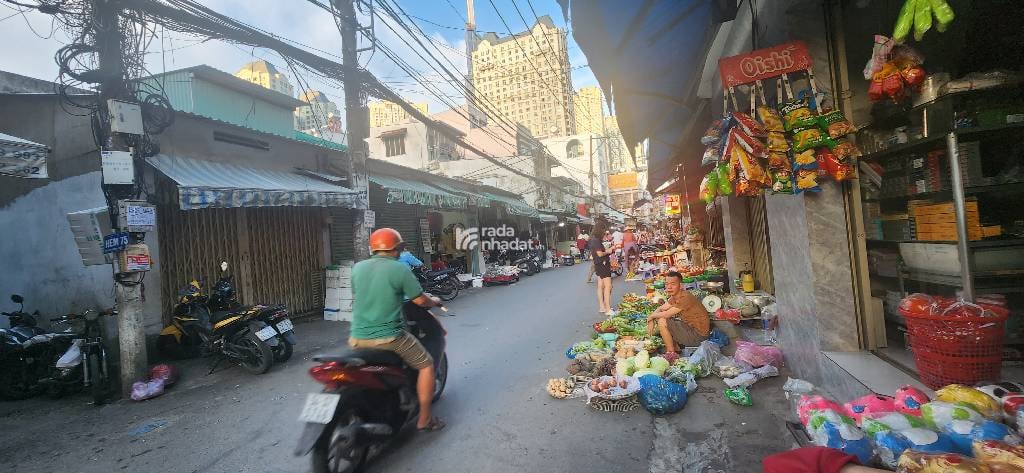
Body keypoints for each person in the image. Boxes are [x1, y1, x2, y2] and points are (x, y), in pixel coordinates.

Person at [349, 228, 446, 432]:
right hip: (390, 337)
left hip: (357, 338)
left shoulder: (357, 268)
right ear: (397, 249)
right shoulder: (399, 269)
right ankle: (425, 419)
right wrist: (434, 301)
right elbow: (419, 300)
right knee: (427, 365)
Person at [645, 271, 709, 354]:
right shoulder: (675, 296)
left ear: (681, 285)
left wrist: (651, 317)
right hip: (690, 329)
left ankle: (671, 353)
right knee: (666, 318)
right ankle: (676, 348)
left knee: (662, 320)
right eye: (667, 284)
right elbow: (661, 308)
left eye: (673, 284)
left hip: (698, 336)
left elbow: (666, 314)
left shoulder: (685, 297)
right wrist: (652, 317)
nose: (669, 287)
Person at [588, 220, 614, 315]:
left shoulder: (592, 239)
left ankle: (602, 307)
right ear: (601, 229)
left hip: (598, 264)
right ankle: (608, 309)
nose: (604, 232)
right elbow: (599, 254)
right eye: (604, 229)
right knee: (608, 286)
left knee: (600, 286)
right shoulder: (596, 240)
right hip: (602, 263)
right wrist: (609, 251)